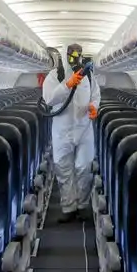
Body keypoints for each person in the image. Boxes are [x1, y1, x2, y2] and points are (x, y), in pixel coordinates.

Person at [42, 43, 100, 223]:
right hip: (62, 130)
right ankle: (68, 207)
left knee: (84, 167)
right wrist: (67, 85)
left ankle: (82, 205)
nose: (75, 58)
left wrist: (94, 106)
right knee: (63, 169)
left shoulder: (88, 74)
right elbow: (49, 99)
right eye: (72, 55)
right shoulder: (55, 75)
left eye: (78, 55)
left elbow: (96, 95)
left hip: (84, 128)